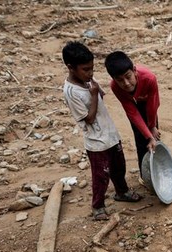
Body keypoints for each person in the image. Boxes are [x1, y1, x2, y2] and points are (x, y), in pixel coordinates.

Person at [61, 42, 141, 221]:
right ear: (71, 68)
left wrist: (96, 91)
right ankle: (98, 206)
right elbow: (88, 118)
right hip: (97, 142)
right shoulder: (71, 91)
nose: (90, 73)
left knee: (118, 166)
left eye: (92, 69)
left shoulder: (88, 81)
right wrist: (93, 94)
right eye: (86, 69)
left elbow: (100, 95)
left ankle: (122, 192)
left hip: (110, 134)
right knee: (101, 175)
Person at [104, 51, 161, 182]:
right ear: (113, 79)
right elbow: (132, 112)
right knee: (141, 139)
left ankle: (159, 169)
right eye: (119, 80)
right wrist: (147, 135)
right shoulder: (115, 87)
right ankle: (145, 175)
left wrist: (152, 127)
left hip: (148, 103)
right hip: (133, 105)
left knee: (155, 138)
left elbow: (153, 105)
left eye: (128, 76)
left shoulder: (149, 78)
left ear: (134, 71)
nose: (126, 83)